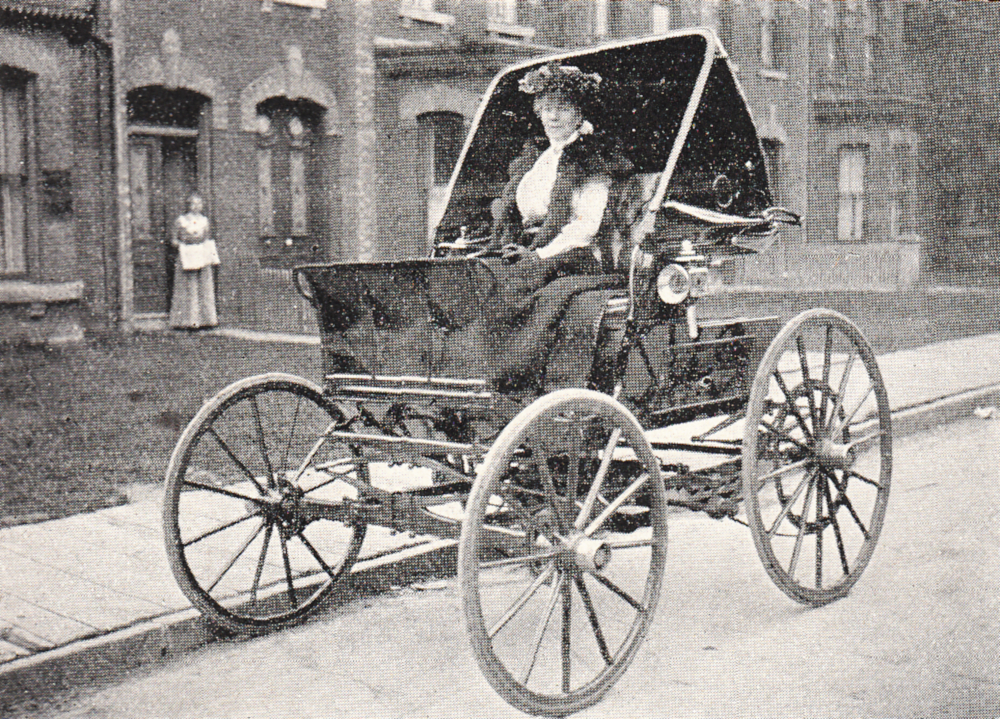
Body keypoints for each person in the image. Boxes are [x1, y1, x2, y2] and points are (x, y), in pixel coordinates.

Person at [487, 63, 634, 392]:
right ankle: (489, 375)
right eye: (547, 109)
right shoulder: (538, 159)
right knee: (486, 276)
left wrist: (539, 255)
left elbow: (586, 225)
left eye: (563, 109)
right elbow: (517, 211)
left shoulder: (591, 158)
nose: (553, 117)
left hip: (576, 255)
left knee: (524, 288)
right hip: (534, 248)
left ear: (578, 114)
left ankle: (526, 383)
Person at [169, 192, 220, 329]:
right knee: (188, 286)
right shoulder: (181, 221)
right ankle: (187, 321)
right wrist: (182, 246)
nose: (197, 206)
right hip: (187, 255)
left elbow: (207, 237)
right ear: (189, 205)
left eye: (199, 203)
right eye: (194, 203)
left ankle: (206, 320)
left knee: (204, 285)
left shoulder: (204, 221)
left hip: (201, 255)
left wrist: (206, 248)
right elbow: (174, 240)